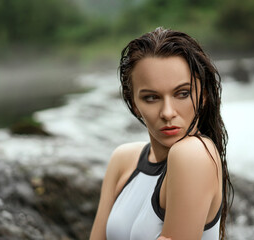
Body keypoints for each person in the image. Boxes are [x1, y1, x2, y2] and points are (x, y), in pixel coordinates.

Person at [89, 27, 233, 240]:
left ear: (203, 96)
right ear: (134, 103)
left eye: (182, 94)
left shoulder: (193, 154)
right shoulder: (123, 159)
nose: (167, 112)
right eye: (151, 98)